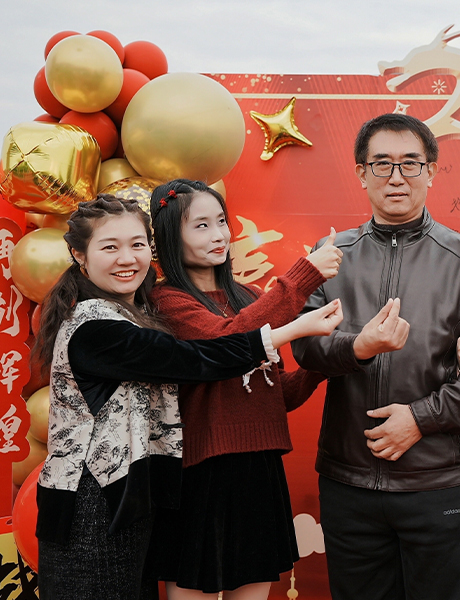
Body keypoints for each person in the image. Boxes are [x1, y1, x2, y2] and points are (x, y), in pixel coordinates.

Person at [32, 196, 342, 600]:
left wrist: (337, 356)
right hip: (92, 506)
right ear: (80, 255)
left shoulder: (134, 315)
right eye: (110, 247)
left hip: (129, 500)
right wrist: (292, 329)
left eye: (137, 244)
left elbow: (243, 374)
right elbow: (196, 358)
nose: (127, 258)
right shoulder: (96, 326)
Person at [290, 113, 460, 600]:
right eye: (382, 164)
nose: (396, 177)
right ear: (361, 172)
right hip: (348, 477)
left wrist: (419, 419)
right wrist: (359, 347)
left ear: (431, 171)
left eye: (410, 163)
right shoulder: (331, 255)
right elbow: (305, 347)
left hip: (437, 478)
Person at [144, 179, 342, 599]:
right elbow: (227, 342)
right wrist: (305, 276)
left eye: (221, 221)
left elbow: (278, 394)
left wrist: (330, 359)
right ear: (169, 237)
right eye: (201, 225)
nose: (218, 234)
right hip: (200, 473)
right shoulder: (167, 301)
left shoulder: (250, 296)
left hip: (259, 469)